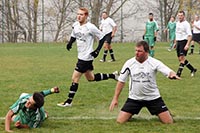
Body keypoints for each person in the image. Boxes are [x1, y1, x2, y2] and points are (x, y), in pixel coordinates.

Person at [57, 7, 118, 107]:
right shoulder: (75, 25)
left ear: (86, 16)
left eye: (81, 14)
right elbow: (74, 35)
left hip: (86, 57)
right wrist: (70, 43)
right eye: (78, 14)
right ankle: (113, 75)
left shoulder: (90, 27)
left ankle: (68, 102)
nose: (79, 16)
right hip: (81, 55)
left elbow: (102, 38)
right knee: (91, 78)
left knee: (74, 78)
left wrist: (97, 51)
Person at [109, 41, 180, 124]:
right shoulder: (129, 63)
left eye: (139, 51)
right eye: (136, 50)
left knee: (168, 122)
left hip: (153, 98)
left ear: (146, 52)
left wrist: (172, 75)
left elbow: (167, 70)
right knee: (120, 121)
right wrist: (115, 98)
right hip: (134, 98)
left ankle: (166, 113)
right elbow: (121, 81)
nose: (136, 53)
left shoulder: (154, 62)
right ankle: (130, 113)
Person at [175, 10, 197, 77]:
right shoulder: (177, 23)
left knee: (182, 58)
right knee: (180, 59)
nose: (180, 17)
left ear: (184, 16)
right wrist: (175, 42)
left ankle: (178, 74)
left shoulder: (186, 24)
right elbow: (177, 33)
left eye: (181, 15)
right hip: (179, 42)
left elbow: (190, 35)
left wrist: (187, 44)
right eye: (179, 15)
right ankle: (192, 69)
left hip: (184, 41)